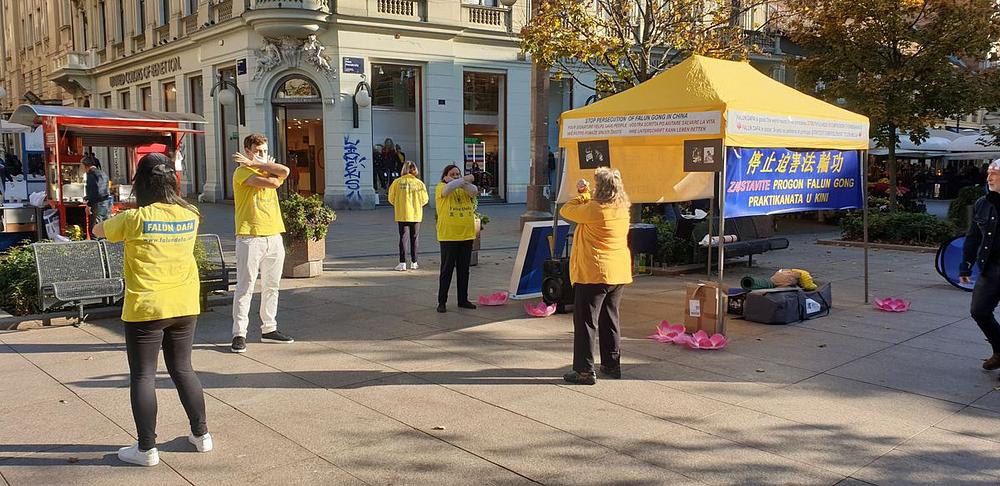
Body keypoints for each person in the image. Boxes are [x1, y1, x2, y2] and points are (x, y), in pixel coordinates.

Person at [93, 153, 212, 466]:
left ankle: (146, 449)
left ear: (141, 183)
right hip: (185, 303)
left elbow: (99, 232)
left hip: (147, 307)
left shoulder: (134, 219)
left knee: (144, 376)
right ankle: (201, 435)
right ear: (172, 180)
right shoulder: (191, 214)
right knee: (183, 369)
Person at [559, 167, 633, 385]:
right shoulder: (622, 208)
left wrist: (582, 192)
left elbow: (566, 210)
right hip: (617, 271)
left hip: (594, 272)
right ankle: (611, 365)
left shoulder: (594, 209)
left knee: (585, 322)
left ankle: (584, 370)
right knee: (610, 319)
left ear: (600, 188)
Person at [231, 133, 294, 353]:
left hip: (274, 234)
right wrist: (263, 167)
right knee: (245, 286)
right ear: (247, 150)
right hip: (250, 235)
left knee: (272, 286)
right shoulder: (242, 171)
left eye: (265, 151)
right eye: (257, 151)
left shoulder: (263, 166)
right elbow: (274, 183)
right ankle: (239, 333)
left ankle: (269, 328)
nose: (262, 154)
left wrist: (262, 163)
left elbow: (284, 172)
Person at [960, 159, 1000, 375]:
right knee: (979, 311)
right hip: (990, 268)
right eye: (988, 173)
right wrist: (965, 266)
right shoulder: (982, 203)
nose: (989, 177)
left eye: (995, 174)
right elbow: (973, 236)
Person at [435, 164, 478, 313]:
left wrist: (463, 181)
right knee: (447, 269)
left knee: (463, 270)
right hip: (449, 235)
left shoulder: (464, 188)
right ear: (445, 176)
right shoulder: (440, 187)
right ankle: (442, 301)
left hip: (466, 234)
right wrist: (464, 179)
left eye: (457, 174)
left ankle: (463, 299)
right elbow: (447, 190)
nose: (455, 176)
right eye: (452, 174)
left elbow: (474, 191)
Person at [388, 160, 428, 271]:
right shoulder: (419, 183)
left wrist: (399, 204)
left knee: (403, 238)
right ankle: (414, 262)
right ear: (415, 170)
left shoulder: (397, 182)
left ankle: (402, 263)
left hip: (402, 214)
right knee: (414, 238)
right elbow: (425, 200)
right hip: (415, 214)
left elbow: (391, 198)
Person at [83, 156, 113, 238]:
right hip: (107, 202)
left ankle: (97, 248)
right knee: (105, 227)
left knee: (95, 229)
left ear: (86, 166)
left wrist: (88, 201)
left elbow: (93, 190)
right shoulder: (102, 173)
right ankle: (106, 247)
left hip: (98, 203)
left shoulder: (91, 174)